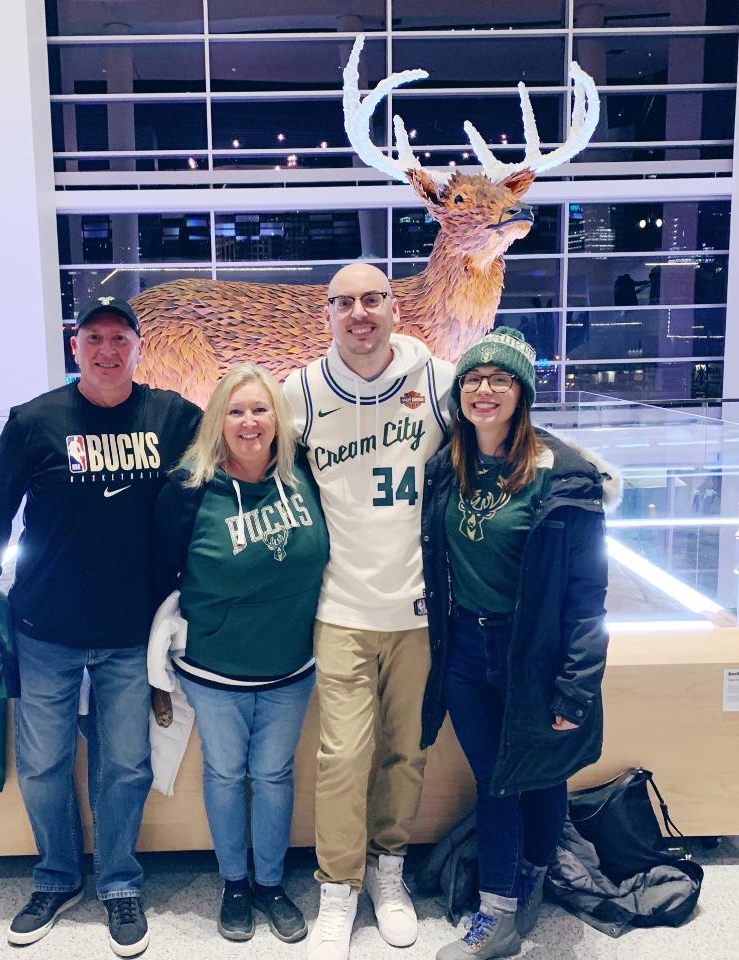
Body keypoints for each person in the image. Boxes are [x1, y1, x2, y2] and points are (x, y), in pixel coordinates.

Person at [0, 297, 201, 958]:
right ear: (75, 348)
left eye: (118, 338)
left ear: (136, 346)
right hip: (46, 628)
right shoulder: (35, 421)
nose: (106, 350)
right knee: (42, 765)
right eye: (93, 338)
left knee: (123, 766)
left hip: (133, 631)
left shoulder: (172, 416)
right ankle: (58, 877)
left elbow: (230, 464)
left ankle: (119, 882)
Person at [419, 328, 616, 959]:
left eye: (499, 379)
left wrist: (577, 686)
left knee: (540, 775)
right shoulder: (446, 468)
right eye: (473, 379)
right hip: (467, 654)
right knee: (498, 778)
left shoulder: (565, 477)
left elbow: (587, 596)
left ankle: (515, 895)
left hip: (533, 654)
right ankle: (509, 899)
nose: (483, 390)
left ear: (522, 392)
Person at [282, 262, 454, 960]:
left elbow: (506, 432)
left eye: (373, 299)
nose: (359, 313)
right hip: (343, 606)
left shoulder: (438, 379)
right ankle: (337, 890)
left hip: (419, 610)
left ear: (394, 308)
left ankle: (389, 875)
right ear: (327, 313)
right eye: (344, 302)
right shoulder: (301, 389)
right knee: (342, 757)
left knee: (405, 754)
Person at [152, 363, 329, 945]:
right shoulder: (189, 487)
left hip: (290, 667)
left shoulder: (304, 475)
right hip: (213, 668)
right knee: (227, 774)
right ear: (217, 421)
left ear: (278, 420)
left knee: (274, 775)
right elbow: (158, 570)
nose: (249, 422)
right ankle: (234, 882)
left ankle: (271, 884)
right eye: (235, 411)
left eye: (260, 410)